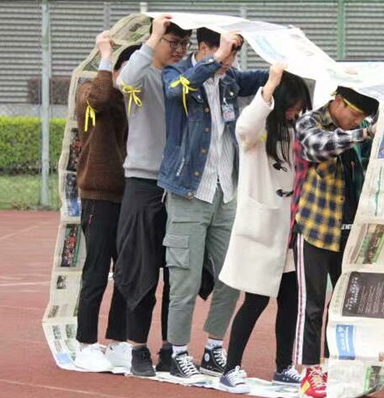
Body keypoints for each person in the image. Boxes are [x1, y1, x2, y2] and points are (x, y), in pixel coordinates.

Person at [159, 28, 268, 379]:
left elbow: (265, 78)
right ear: (204, 48)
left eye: (233, 54)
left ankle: (213, 348)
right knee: (185, 281)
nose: (229, 60)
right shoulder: (176, 74)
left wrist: (288, 56)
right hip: (189, 192)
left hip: (226, 194)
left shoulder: (230, 79)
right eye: (224, 52)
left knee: (232, 276)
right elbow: (175, 93)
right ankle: (178, 352)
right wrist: (217, 59)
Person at [216, 64, 312, 393]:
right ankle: (231, 367)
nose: (294, 113)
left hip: (290, 231)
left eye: (299, 108)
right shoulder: (257, 132)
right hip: (262, 229)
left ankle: (284, 366)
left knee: (291, 301)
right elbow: (245, 126)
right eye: (291, 107)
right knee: (255, 301)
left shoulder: (297, 131)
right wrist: (269, 86)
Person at [113, 15, 191, 377]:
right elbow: (124, 81)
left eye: (184, 44)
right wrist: (154, 33)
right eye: (172, 42)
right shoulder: (140, 73)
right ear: (156, 40)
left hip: (179, 186)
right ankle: (137, 349)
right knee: (141, 271)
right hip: (143, 184)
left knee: (178, 274)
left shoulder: (185, 79)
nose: (179, 50)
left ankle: (171, 349)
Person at [292, 86, 378, 398]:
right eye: (354, 115)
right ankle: (309, 371)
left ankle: (334, 366)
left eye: (361, 119)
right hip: (315, 227)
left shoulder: (360, 130)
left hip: (351, 230)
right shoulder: (309, 122)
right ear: (338, 102)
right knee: (312, 305)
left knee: (345, 305)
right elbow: (319, 147)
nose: (356, 122)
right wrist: (363, 133)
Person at [72, 31, 139, 373]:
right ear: (117, 67)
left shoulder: (132, 100)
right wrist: (106, 54)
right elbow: (99, 99)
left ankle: (116, 342)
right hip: (99, 196)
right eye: (130, 67)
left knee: (127, 273)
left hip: (129, 195)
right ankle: (85, 344)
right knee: (96, 272)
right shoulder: (90, 90)